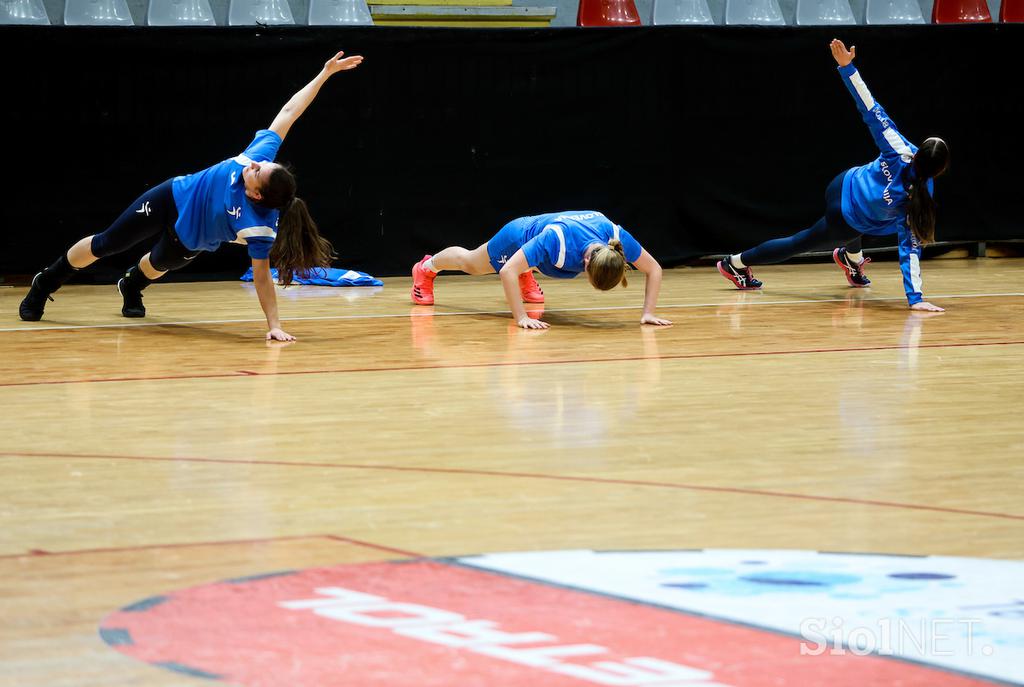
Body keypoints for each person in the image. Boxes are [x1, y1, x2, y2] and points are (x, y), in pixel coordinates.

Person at [19, 50, 364, 340]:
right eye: (261, 165)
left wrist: (275, 326)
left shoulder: (260, 229)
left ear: (256, 197)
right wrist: (324, 74)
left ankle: (131, 286)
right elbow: (290, 112)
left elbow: (262, 276)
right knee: (109, 243)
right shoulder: (257, 155)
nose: (256, 165)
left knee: (154, 266)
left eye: (258, 172)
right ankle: (45, 283)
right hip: (171, 197)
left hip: (192, 239)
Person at [717, 39, 949, 313]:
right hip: (845, 220)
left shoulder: (901, 149)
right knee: (800, 242)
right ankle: (735, 263)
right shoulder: (919, 200)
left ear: (919, 150)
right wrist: (916, 298)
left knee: (874, 217)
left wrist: (847, 68)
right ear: (939, 171)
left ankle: (851, 258)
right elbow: (909, 250)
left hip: (842, 183)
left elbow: (871, 109)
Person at [410, 210, 673, 329]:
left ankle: (528, 267)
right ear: (585, 265)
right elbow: (505, 273)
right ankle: (426, 268)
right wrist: (521, 317)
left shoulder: (616, 238)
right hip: (519, 235)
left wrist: (648, 313)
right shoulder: (556, 241)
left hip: (544, 242)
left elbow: (654, 269)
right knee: (471, 263)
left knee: (530, 262)